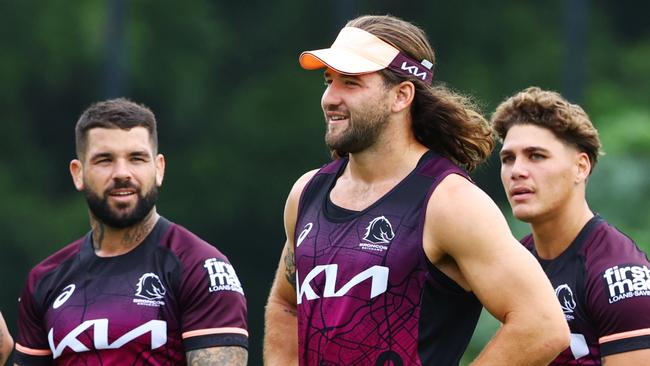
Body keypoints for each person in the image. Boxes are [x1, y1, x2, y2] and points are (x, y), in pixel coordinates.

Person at [264, 14, 569, 366]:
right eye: (328, 81)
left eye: (351, 82)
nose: (330, 98)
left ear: (401, 96)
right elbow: (286, 304)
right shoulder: (307, 192)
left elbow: (542, 325)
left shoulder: (450, 202)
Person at [14, 98, 248, 365]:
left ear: (158, 169)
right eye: (104, 160)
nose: (122, 173)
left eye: (136, 158)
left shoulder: (200, 267)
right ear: (78, 173)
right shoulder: (44, 280)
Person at [492, 86, 650, 365]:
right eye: (508, 159)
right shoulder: (516, 260)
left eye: (536, 155)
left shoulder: (619, 274)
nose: (517, 170)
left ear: (581, 167)